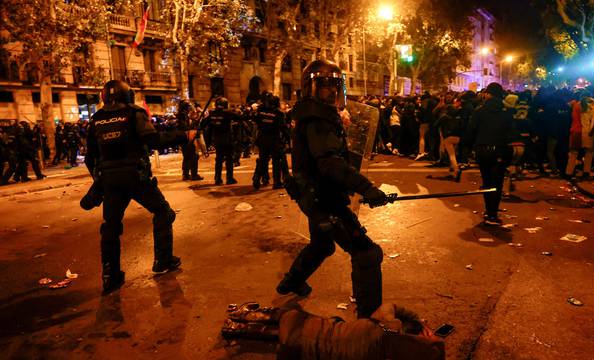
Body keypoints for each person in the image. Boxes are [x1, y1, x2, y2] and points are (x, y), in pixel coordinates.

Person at [280, 59, 389, 318]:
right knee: (367, 253)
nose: (331, 91)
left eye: (334, 85)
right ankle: (370, 320)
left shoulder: (314, 113)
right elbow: (329, 163)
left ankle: (291, 282)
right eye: (324, 85)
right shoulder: (317, 118)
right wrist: (366, 188)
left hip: (315, 195)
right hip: (324, 198)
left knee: (322, 245)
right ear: (311, 88)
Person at [84, 80, 195, 294]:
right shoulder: (134, 113)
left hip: (110, 182)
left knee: (110, 227)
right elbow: (153, 140)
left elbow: (90, 157)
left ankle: (110, 276)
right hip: (136, 177)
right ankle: (163, 260)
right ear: (128, 95)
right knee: (163, 212)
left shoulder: (96, 119)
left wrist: (100, 180)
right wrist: (184, 136)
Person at [223, 302, 445, 360]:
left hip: (307, 331)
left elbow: (389, 308)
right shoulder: (386, 352)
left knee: (291, 317)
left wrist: (420, 324)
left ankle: (241, 316)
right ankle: (236, 330)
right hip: (303, 353)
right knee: (296, 335)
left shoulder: (386, 328)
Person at [466, 83, 513, 226]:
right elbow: (510, 132)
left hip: (483, 149)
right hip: (500, 150)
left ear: (488, 94)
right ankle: (493, 212)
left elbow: (471, 131)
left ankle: (489, 211)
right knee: (497, 182)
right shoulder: (506, 112)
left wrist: (469, 149)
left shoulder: (479, 111)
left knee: (487, 181)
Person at [252, 92, 286, 190]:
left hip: (262, 138)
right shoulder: (278, 113)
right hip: (274, 139)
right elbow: (282, 127)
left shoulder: (261, 111)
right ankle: (277, 182)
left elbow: (256, 120)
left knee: (263, 160)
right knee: (276, 161)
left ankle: (257, 177)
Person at [201, 97, 238, 185]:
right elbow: (240, 117)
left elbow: (203, 123)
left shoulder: (212, 113)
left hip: (218, 140)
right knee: (229, 160)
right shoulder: (227, 113)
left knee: (219, 160)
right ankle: (229, 179)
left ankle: (218, 178)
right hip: (227, 139)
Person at [177, 100, 203, 181]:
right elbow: (185, 128)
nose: (189, 108)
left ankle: (186, 174)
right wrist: (194, 124)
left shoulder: (184, 115)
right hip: (185, 139)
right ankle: (193, 175)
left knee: (187, 156)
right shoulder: (182, 116)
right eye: (188, 107)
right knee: (194, 156)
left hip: (185, 138)